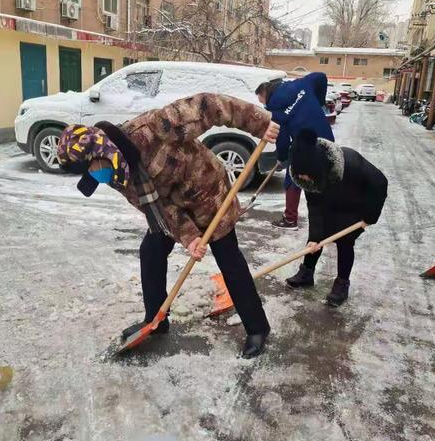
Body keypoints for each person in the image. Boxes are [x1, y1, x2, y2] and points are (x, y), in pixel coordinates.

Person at [57, 93, 280, 358]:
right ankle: (156, 320)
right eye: (89, 173)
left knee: (228, 257)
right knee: (151, 252)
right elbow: (161, 210)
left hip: (208, 194)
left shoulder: (153, 128)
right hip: (170, 205)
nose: (96, 176)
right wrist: (190, 238)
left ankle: (257, 328)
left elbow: (209, 106)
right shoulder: (120, 175)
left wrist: (259, 123)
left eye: (93, 168)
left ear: (101, 149)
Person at [285, 128, 388, 306]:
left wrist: (369, 217)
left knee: (345, 241)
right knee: (315, 240)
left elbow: (380, 184)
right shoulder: (305, 175)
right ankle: (306, 273)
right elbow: (314, 206)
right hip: (328, 201)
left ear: (317, 168)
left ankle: (342, 284)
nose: (302, 177)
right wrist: (316, 236)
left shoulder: (351, 163)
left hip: (354, 204)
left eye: (305, 174)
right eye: (300, 174)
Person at [256, 73, 335, 230]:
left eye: (263, 103)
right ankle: (331, 221)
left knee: (292, 179)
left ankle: (290, 219)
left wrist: (282, 157)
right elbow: (321, 77)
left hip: (305, 146)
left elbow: (283, 139)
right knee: (325, 178)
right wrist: (318, 102)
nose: (266, 106)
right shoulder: (300, 84)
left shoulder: (277, 112)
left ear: (266, 95)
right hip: (327, 140)